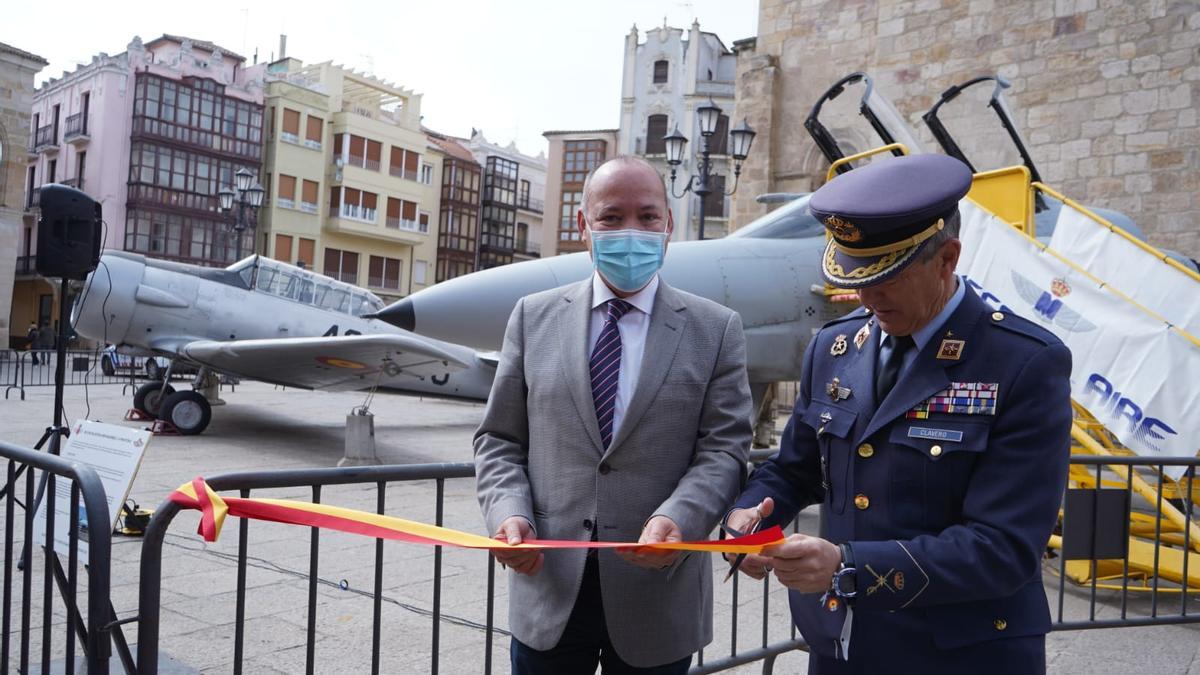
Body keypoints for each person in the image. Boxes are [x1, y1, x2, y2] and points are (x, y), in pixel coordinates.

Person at [725, 154, 1072, 674]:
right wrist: (751, 516)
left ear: (946, 258)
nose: (866, 296)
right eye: (857, 275)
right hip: (842, 644)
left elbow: (1003, 547)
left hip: (963, 653)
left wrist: (847, 566)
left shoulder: (1023, 362)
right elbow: (792, 469)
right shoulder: (834, 347)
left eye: (886, 277)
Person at [475, 155, 752, 674]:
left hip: (658, 595)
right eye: (611, 217)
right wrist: (507, 513)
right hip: (548, 588)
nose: (632, 231)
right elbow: (499, 439)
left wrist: (680, 518)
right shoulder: (533, 317)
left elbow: (725, 450)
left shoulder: (715, 329)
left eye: (647, 217)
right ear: (584, 226)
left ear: (669, 225)